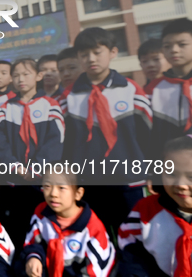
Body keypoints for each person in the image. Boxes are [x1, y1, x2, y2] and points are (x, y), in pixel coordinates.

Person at [60, 27, 152, 233]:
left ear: (113, 52)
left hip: (129, 180)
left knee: (133, 237)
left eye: (97, 52)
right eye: (84, 54)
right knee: (94, 236)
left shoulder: (131, 89)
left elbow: (148, 135)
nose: (91, 58)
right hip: (88, 181)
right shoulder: (67, 96)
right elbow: (64, 143)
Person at [0, 58, 64, 247]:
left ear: (38, 76)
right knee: (15, 228)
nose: (20, 79)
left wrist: (35, 168)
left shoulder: (50, 105)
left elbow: (55, 141)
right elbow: (0, 143)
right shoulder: (5, 109)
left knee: (43, 228)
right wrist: (15, 166)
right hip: (13, 180)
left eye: (26, 74)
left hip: (42, 181)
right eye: (16, 75)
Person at [17, 167, 115, 277]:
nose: (53, 193)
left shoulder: (93, 230)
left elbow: (94, 272)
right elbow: (33, 242)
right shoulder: (41, 212)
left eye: (61, 188)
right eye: (47, 186)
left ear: (78, 193)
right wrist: (33, 256)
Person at [118, 135, 192, 276]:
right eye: (171, 174)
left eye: (191, 177)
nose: (180, 185)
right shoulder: (145, 210)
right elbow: (132, 255)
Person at [146, 19, 192, 153]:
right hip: (167, 165)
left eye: (182, 44)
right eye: (167, 46)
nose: (174, 50)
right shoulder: (153, 89)